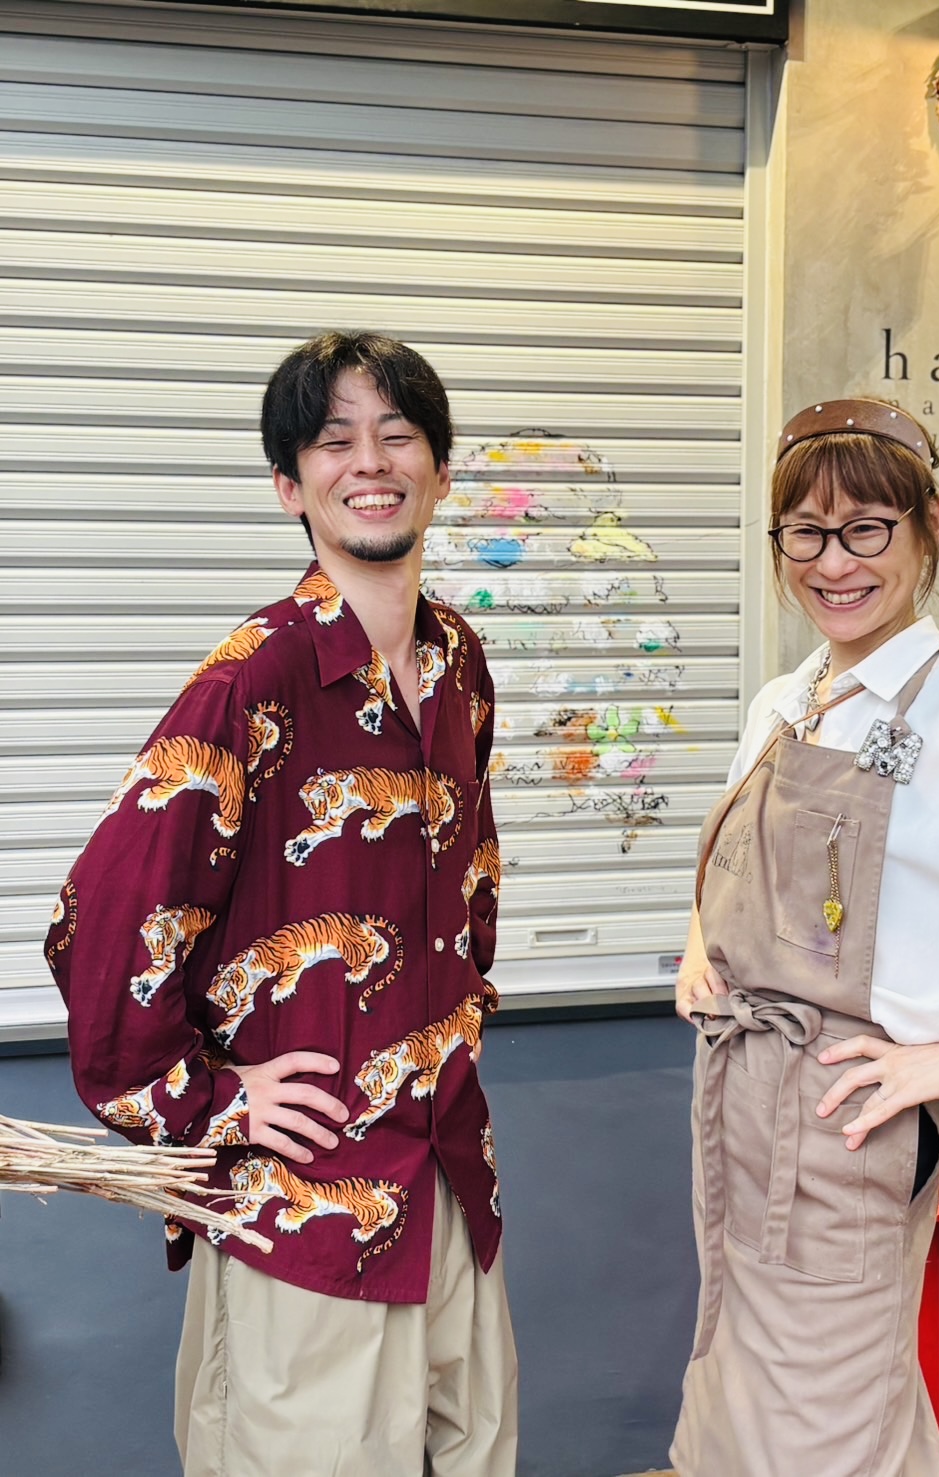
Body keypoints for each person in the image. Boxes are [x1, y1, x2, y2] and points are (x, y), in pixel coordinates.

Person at [44, 330, 517, 1477]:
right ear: (288, 484)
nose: (372, 461)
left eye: (399, 435)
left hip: (449, 1172)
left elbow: (469, 889)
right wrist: (208, 1097)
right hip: (302, 1216)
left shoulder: (459, 660)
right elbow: (103, 921)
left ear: (441, 471)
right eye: (334, 439)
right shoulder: (246, 678)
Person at [670, 397, 939, 1477]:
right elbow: (732, 866)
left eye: (865, 527)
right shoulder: (789, 697)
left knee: (823, 1429)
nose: (834, 563)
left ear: (927, 526)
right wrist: (698, 947)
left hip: (843, 1120)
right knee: (758, 1400)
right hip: (737, 1101)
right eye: (805, 533)